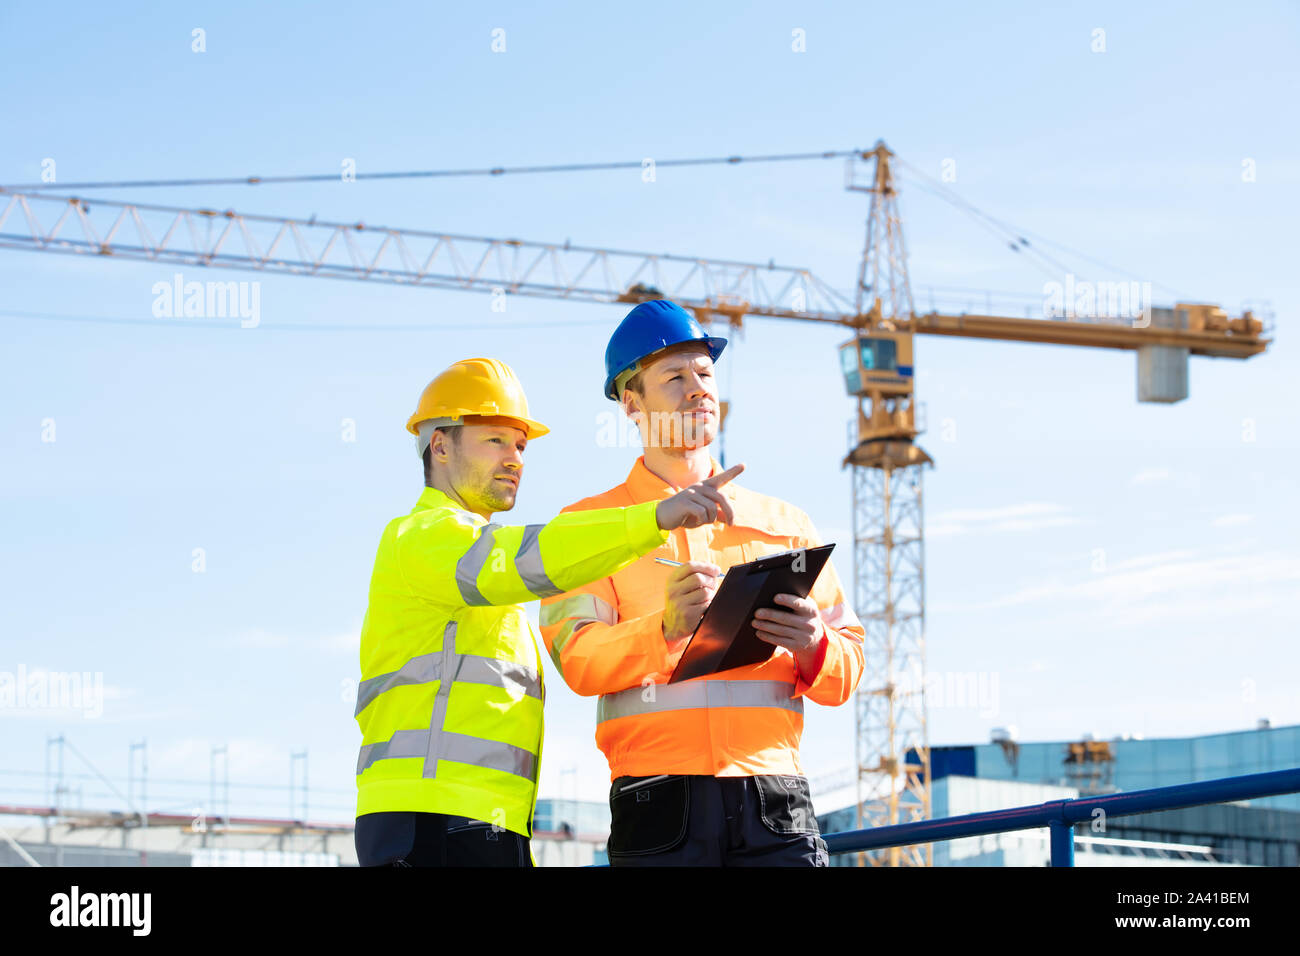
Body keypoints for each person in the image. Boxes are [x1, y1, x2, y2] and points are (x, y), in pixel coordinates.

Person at [353, 356, 743, 867]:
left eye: (520, 445)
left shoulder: (480, 572)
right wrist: (654, 516)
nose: (515, 458)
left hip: (486, 822)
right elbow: (531, 557)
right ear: (440, 446)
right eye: (495, 440)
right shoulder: (419, 538)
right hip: (426, 819)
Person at [539, 300, 865, 866]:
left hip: (775, 798)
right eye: (675, 376)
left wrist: (814, 643)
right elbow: (578, 661)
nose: (699, 389)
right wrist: (663, 630)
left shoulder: (786, 525)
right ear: (632, 403)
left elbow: (847, 671)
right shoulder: (585, 530)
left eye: (705, 373)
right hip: (658, 799)